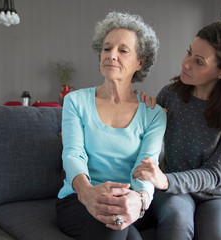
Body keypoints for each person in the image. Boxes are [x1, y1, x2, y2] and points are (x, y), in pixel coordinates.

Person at [132, 21, 221, 240]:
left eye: (198, 61)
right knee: (177, 221)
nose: (185, 64)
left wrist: (165, 180)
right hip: (175, 191)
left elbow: (214, 174)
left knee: (219, 235)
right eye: (189, 53)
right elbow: (143, 136)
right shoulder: (170, 95)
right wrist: (136, 108)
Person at [56, 11, 166, 240]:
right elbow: (73, 154)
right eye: (107, 48)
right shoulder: (75, 101)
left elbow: (146, 165)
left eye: (123, 50)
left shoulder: (153, 114)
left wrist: (139, 200)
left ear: (140, 61)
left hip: (131, 201)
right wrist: (87, 192)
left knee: (117, 219)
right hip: (79, 199)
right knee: (117, 226)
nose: (111, 55)